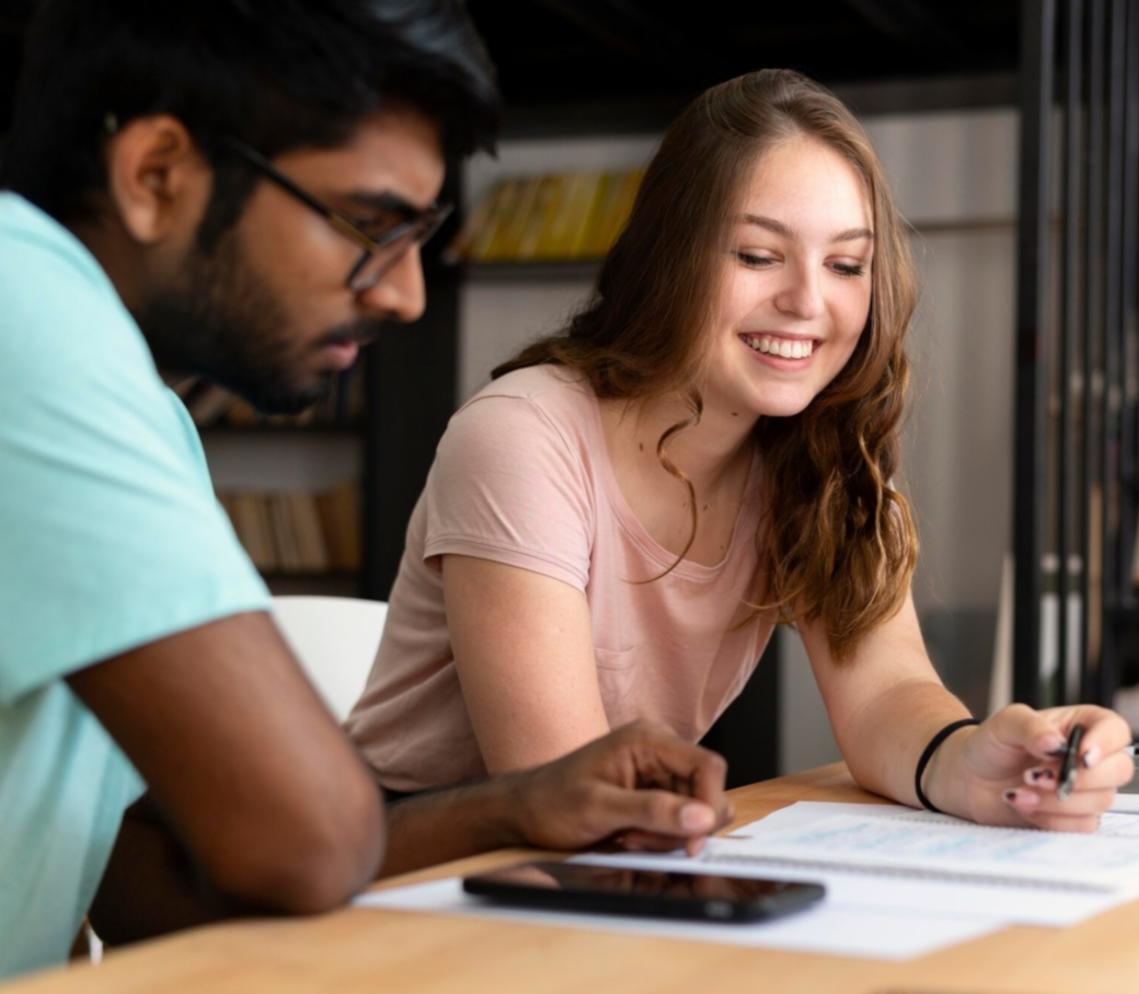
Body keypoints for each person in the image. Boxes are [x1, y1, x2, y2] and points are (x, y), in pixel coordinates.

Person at [0, 2, 727, 978]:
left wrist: (517, 802)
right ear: (156, 174)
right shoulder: (26, 311)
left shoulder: (133, 395)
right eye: (370, 225)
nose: (405, 293)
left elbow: (153, 882)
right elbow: (304, 840)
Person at [346, 69, 1135, 835]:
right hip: (411, 871)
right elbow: (562, 786)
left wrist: (978, 762)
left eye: (846, 265)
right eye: (758, 255)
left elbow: (884, 693)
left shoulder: (823, 453)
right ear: (670, 257)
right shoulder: (523, 435)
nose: (807, 301)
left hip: (600, 862)